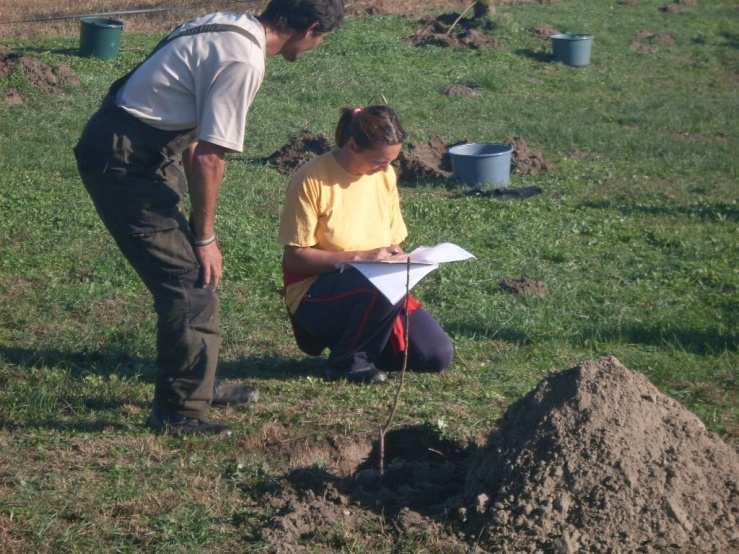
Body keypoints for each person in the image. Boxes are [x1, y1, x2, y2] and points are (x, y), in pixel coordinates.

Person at [74, 0, 345, 437]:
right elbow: (207, 156)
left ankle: (196, 383)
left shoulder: (227, 22)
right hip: (123, 162)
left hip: (133, 144)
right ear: (310, 29)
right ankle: (180, 412)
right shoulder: (244, 59)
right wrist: (204, 237)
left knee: (193, 280)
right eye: (322, 38)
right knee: (190, 283)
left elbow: (190, 137)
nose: (318, 45)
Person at [278, 105, 455, 384]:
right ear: (352, 145)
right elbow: (295, 258)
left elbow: (392, 239)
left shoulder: (384, 177)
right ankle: (346, 362)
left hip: (377, 290)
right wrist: (361, 257)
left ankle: (360, 343)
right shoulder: (312, 179)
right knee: (376, 286)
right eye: (378, 162)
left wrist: (400, 256)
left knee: (436, 354)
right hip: (316, 294)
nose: (385, 168)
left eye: (390, 161)